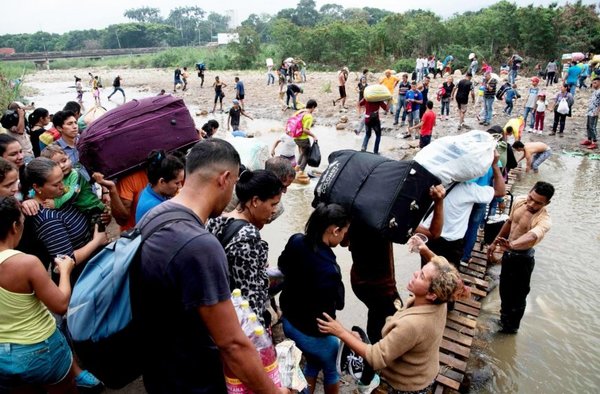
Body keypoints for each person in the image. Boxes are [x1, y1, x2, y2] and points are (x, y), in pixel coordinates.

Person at [131, 139, 285, 393]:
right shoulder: (199, 245)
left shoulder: (156, 214)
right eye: (235, 183)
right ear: (224, 179)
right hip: (192, 378)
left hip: (158, 368)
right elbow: (233, 344)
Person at [318, 248, 469, 394]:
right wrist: (424, 250)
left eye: (421, 276)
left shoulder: (412, 325)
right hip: (425, 369)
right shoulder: (442, 300)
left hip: (408, 384)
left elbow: (375, 357)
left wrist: (341, 332)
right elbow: (444, 269)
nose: (416, 273)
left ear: (431, 295)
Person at [0, 196, 78, 393]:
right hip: (38, 347)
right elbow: (60, 305)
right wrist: (66, 270)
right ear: (14, 227)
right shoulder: (25, 263)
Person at [350, 185, 446, 343]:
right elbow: (434, 233)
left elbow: (344, 242)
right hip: (382, 286)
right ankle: (375, 357)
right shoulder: (387, 215)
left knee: (375, 315)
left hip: (358, 280)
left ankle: (372, 349)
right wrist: (438, 202)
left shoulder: (352, 209)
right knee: (392, 324)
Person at [279, 203, 350, 394]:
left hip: (288, 321)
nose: (344, 236)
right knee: (332, 367)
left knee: (313, 361)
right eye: (344, 232)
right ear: (335, 231)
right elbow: (330, 315)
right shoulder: (329, 269)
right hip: (310, 333)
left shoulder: (296, 241)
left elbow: (282, 266)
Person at [207, 170, 283, 326]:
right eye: (272, 204)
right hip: (236, 320)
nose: (274, 210)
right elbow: (251, 296)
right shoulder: (249, 237)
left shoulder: (217, 220)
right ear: (255, 201)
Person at [487, 181, 554, 334]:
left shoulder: (544, 220)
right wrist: (494, 242)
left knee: (517, 297)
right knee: (504, 290)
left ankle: (511, 329)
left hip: (523, 258)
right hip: (508, 252)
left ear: (546, 203)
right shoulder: (519, 201)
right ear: (529, 191)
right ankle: (503, 320)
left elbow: (531, 236)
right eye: (531, 198)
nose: (531, 204)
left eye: (538, 203)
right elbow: (510, 223)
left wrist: (512, 245)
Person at [420, 150, 505, 268]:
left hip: (429, 236)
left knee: (426, 273)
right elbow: (500, 192)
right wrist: (495, 165)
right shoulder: (468, 189)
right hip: (452, 243)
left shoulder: (433, 184)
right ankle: (465, 258)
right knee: (447, 278)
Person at [39, 145, 106, 217]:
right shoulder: (59, 178)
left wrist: (56, 203)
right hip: (79, 211)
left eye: (64, 161)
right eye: (56, 165)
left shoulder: (75, 174)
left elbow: (73, 193)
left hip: (92, 208)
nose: (62, 166)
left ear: (69, 158)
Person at [135, 150, 185, 223]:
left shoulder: (149, 190)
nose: (180, 187)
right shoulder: (156, 209)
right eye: (177, 183)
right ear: (162, 182)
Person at [292, 100, 318, 173]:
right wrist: (314, 136)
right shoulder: (309, 116)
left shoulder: (300, 112)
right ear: (312, 107)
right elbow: (305, 130)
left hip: (295, 137)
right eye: (314, 108)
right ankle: (301, 170)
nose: (314, 110)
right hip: (303, 139)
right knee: (307, 154)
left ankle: (296, 168)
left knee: (302, 153)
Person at [581, 76, 600, 149]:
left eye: (595, 83)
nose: (593, 85)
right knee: (588, 126)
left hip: (594, 112)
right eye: (593, 83)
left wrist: (597, 111)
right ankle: (589, 139)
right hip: (590, 111)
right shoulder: (595, 91)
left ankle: (594, 142)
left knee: (593, 127)